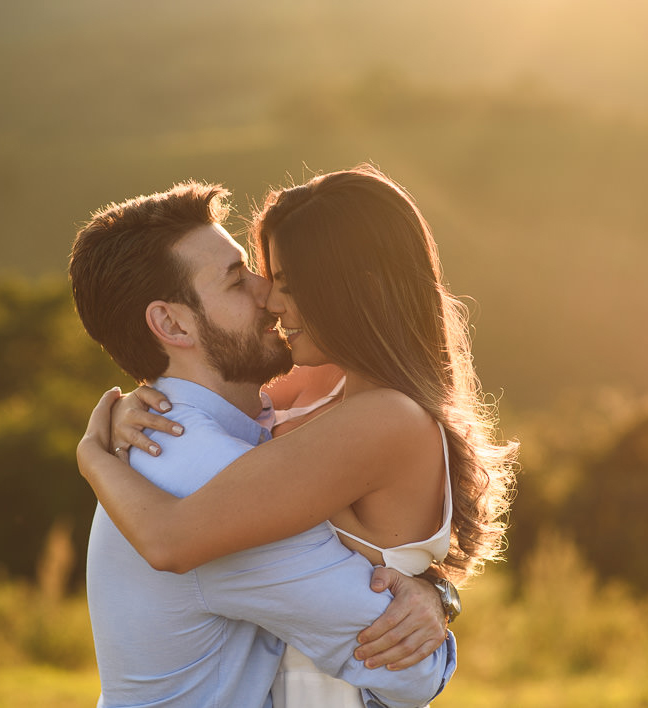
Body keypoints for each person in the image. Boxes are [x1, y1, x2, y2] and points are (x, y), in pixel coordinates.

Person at [78, 166, 518, 707]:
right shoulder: (207, 461)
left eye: (282, 280)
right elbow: (414, 671)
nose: (267, 296)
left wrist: (433, 591)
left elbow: (178, 535)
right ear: (172, 325)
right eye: (241, 279)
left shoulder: (324, 418)